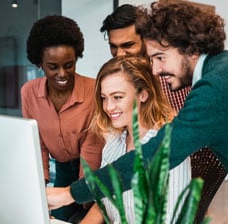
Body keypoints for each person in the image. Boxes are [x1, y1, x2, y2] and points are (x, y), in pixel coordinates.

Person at [46, 2, 228, 223]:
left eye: (161, 57)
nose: (156, 69)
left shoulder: (214, 89)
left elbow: (155, 156)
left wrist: (71, 192)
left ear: (191, 49)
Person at [101, 4, 227, 222]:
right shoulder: (119, 80)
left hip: (184, 160)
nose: (120, 54)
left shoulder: (174, 76)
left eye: (128, 45)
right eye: (114, 47)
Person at [80, 55, 191, 224]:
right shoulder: (114, 141)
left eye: (117, 97)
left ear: (143, 95)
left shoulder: (169, 145)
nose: (108, 107)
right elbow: (102, 203)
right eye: (104, 98)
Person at [21, 15, 104, 222]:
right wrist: (40, 190)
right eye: (53, 66)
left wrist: (85, 194)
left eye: (69, 65)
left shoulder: (94, 90)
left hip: (95, 169)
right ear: (39, 63)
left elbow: (92, 145)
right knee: (55, 217)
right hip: (63, 169)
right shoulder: (29, 92)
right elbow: (37, 144)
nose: (62, 74)